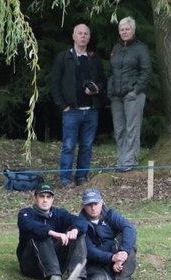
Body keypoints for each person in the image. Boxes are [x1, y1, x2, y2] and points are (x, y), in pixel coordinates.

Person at [50, 23, 105, 188]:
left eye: (86, 34)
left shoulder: (94, 58)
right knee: (68, 146)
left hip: (90, 110)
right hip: (71, 111)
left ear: (89, 37)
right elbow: (55, 82)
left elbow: (103, 81)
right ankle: (65, 179)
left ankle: (81, 176)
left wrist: (96, 89)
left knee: (87, 146)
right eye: (80, 33)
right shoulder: (63, 57)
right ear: (73, 36)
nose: (83, 36)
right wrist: (62, 105)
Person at [16, 183, 89, 280]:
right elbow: (28, 225)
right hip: (31, 265)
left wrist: (75, 229)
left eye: (48, 197)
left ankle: (76, 279)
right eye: (42, 196)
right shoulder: (26, 213)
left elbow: (81, 221)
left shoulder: (59, 213)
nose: (45, 200)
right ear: (35, 198)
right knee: (40, 234)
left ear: (52, 199)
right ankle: (54, 279)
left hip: (56, 262)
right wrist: (53, 233)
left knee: (79, 234)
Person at [79, 188, 138, 280]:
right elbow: (89, 250)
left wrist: (123, 253)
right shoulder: (80, 223)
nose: (93, 208)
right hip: (95, 262)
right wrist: (112, 258)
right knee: (98, 278)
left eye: (96, 204)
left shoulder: (110, 214)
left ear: (102, 203)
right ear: (83, 206)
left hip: (116, 256)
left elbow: (129, 228)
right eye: (89, 205)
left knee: (128, 244)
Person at [108, 17, 152, 172]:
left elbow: (146, 71)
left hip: (133, 95)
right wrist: (110, 89)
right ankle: (121, 159)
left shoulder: (140, 48)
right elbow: (111, 71)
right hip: (116, 96)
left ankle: (130, 160)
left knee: (132, 128)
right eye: (121, 29)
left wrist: (136, 90)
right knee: (119, 129)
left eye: (127, 29)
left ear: (133, 30)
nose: (124, 32)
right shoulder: (116, 48)